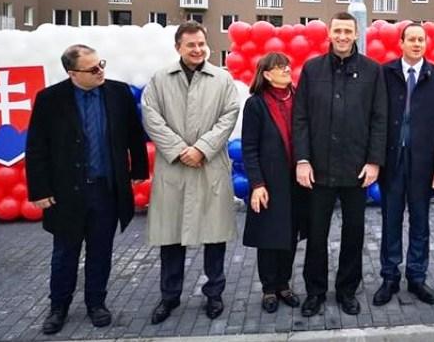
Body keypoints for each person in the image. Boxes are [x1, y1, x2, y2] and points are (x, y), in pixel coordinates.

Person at [26, 44, 149, 334]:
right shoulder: (50, 99)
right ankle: (58, 307)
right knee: (64, 253)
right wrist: (39, 190)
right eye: (92, 69)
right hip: (67, 193)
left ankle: (97, 303)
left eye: (101, 64)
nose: (100, 71)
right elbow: (37, 147)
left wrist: (138, 170)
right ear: (72, 73)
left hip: (106, 190)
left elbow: (135, 134)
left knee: (101, 251)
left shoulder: (118, 93)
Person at [141, 21, 240, 324]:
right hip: (174, 169)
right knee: (171, 237)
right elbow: (151, 116)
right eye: (190, 45)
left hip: (209, 166)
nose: (197, 50)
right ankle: (169, 296)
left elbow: (229, 115)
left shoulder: (222, 79)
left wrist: (202, 148)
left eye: (201, 44)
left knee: (214, 236)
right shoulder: (160, 80)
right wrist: (180, 149)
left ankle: (214, 293)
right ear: (178, 47)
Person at [293, 12, 387, 317]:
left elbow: (380, 119)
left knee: (354, 234)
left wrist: (374, 161)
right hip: (318, 170)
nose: (343, 36)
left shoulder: (372, 71)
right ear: (329, 34)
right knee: (316, 234)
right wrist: (302, 160)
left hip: (356, 169)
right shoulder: (312, 69)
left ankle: (347, 290)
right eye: (338, 31)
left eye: (348, 31)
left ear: (357, 34)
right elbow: (300, 118)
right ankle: (315, 292)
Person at [373, 23, 434, 307]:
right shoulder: (384, 74)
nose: (417, 44)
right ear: (401, 43)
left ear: (426, 44)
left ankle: (417, 277)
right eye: (412, 39)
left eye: (421, 40)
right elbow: (375, 119)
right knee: (391, 221)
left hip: (424, 164)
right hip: (392, 162)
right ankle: (389, 277)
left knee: (420, 223)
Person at [241, 52, 307, 313]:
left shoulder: (299, 97)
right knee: (268, 236)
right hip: (269, 181)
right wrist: (257, 184)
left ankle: (284, 285)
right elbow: (249, 147)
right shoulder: (256, 104)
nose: (287, 70)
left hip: (296, 179)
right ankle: (269, 288)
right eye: (280, 67)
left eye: (287, 65)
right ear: (267, 74)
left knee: (289, 234)